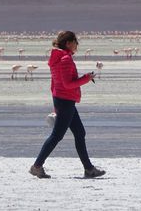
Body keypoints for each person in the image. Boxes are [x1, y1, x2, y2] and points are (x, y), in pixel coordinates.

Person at [29, 31, 106, 178]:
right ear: (68, 43)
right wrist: (86, 78)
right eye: (75, 42)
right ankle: (37, 166)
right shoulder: (65, 59)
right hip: (65, 100)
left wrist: (55, 103)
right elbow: (67, 84)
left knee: (79, 133)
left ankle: (89, 169)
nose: (77, 45)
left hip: (63, 100)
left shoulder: (57, 58)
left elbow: (54, 84)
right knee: (57, 135)